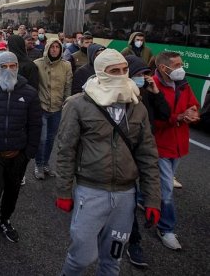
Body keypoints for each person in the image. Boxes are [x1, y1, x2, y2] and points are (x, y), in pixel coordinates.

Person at [53, 49, 161, 276]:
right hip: (91, 192)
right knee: (81, 257)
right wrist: (63, 191)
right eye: (114, 71)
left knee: (112, 260)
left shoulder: (137, 105)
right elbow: (65, 150)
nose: (121, 75)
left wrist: (152, 198)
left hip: (125, 196)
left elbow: (148, 155)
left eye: (124, 70)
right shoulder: (78, 104)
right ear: (101, 72)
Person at [0, 52, 41, 251]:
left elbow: (35, 125)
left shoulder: (29, 93)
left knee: (12, 192)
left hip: (18, 154)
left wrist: (28, 154)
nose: (9, 70)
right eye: (5, 66)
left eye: (13, 66)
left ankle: (5, 219)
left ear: (18, 67)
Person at [124, 55, 171, 268]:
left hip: (144, 150)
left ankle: (133, 241)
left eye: (146, 74)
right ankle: (132, 239)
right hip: (123, 154)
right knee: (128, 199)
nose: (144, 78)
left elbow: (165, 114)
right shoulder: (120, 95)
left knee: (134, 196)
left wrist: (156, 92)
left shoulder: (149, 95)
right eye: (139, 74)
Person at [152, 51, 199, 250]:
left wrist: (193, 113)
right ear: (164, 68)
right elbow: (153, 121)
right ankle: (166, 228)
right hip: (160, 145)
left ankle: (140, 198)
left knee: (157, 182)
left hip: (178, 145)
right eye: (178, 65)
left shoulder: (183, 84)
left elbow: (193, 104)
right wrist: (178, 118)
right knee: (167, 191)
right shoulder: (152, 86)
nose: (182, 68)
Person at [32, 40, 72, 180]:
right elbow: (34, 85)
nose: (55, 49)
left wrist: (66, 103)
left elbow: (68, 86)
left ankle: (46, 163)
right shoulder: (38, 63)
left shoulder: (66, 65)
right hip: (42, 107)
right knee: (41, 139)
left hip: (57, 108)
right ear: (47, 48)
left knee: (50, 138)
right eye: (52, 47)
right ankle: (38, 165)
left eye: (57, 47)